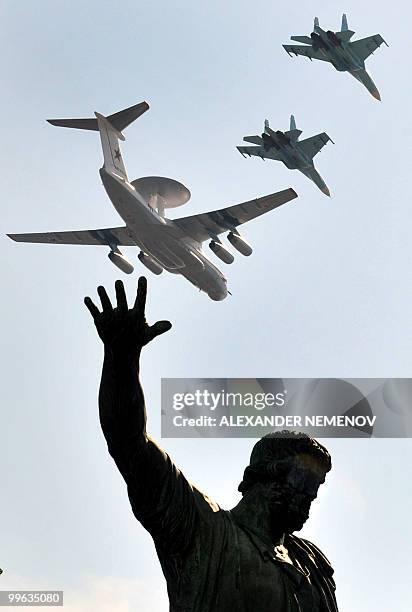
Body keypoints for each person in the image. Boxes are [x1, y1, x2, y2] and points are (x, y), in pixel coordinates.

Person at [85, 278, 339, 611]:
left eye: (316, 486)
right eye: (305, 480)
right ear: (263, 476)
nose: (312, 495)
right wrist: (121, 357)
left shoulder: (310, 563)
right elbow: (130, 445)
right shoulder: (202, 529)